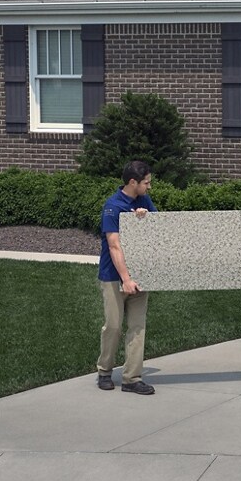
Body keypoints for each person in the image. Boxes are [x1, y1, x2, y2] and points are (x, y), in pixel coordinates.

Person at [96, 160, 159, 394]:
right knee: (113, 326)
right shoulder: (112, 207)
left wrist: (145, 219)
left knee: (137, 327)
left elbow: (160, 230)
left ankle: (132, 378)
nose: (149, 187)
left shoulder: (144, 201)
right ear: (133, 182)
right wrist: (126, 279)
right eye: (146, 183)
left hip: (140, 275)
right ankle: (104, 371)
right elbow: (114, 246)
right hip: (114, 277)